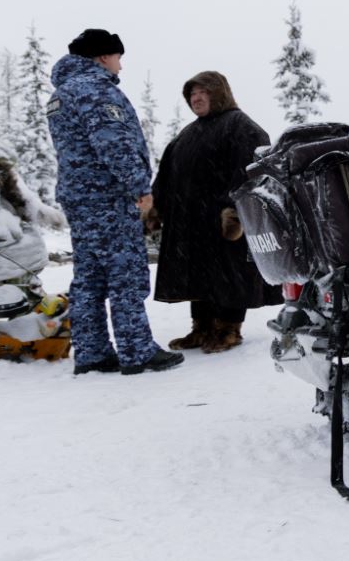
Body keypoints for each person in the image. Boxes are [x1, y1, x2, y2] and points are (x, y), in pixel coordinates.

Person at [47, 29, 185, 375]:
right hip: (108, 199)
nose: (120, 67)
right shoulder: (95, 90)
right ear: (103, 56)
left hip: (79, 199)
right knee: (126, 274)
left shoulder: (61, 94)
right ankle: (137, 351)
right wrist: (140, 186)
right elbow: (113, 143)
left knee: (89, 277)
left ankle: (92, 352)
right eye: (118, 58)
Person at [150, 71, 280, 353]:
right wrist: (156, 206)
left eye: (203, 93)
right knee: (198, 274)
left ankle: (228, 329)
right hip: (192, 221)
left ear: (219, 94)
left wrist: (236, 211)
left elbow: (252, 171)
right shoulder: (187, 134)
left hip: (224, 219)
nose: (196, 99)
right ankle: (202, 327)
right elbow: (167, 173)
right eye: (192, 94)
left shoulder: (241, 126)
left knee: (230, 273)